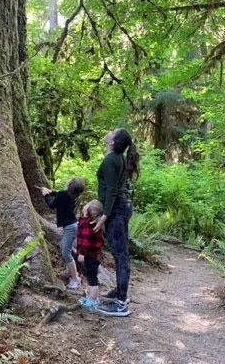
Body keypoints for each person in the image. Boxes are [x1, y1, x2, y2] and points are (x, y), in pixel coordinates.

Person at [93, 128, 139, 317]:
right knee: (121, 254)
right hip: (120, 207)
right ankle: (119, 293)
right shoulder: (116, 157)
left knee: (121, 256)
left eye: (113, 132)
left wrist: (105, 215)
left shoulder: (111, 160)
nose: (110, 132)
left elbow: (111, 189)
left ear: (113, 142)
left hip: (116, 210)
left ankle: (121, 304)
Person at [40, 177, 85, 290]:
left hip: (70, 228)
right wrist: (52, 192)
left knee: (65, 252)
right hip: (73, 226)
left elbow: (51, 204)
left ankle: (75, 279)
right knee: (66, 248)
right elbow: (59, 195)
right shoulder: (73, 196)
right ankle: (71, 271)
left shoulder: (63, 195)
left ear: (69, 185)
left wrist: (46, 195)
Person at [76, 199, 104, 310]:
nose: (84, 205)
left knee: (92, 278)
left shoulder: (88, 225)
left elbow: (86, 241)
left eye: (86, 205)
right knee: (91, 276)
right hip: (92, 255)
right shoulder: (89, 221)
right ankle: (92, 297)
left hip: (90, 255)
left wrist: (81, 254)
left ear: (87, 211)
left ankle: (92, 300)